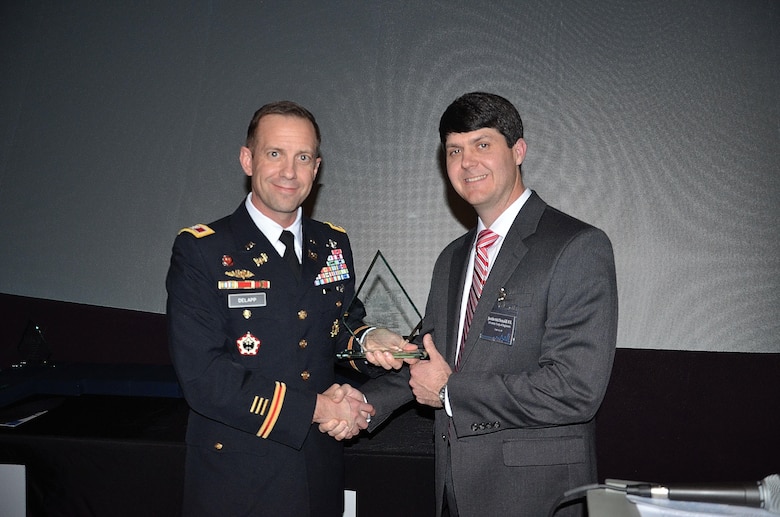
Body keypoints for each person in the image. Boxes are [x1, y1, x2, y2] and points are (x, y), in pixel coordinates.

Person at [361, 92, 619, 516]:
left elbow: (575, 390)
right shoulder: (452, 257)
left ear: (518, 150)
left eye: (483, 144)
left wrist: (449, 391)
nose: (467, 162)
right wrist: (359, 405)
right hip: (454, 490)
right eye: (454, 150)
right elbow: (430, 358)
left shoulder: (576, 246)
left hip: (533, 495)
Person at [166, 100, 403, 517]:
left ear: (317, 167)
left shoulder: (332, 243)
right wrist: (319, 407)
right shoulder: (203, 250)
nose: (289, 172)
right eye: (274, 154)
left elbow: (338, 322)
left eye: (303, 157)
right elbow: (205, 377)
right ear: (247, 160)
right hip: (237, 476)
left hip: (318, 469)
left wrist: (369, 338)